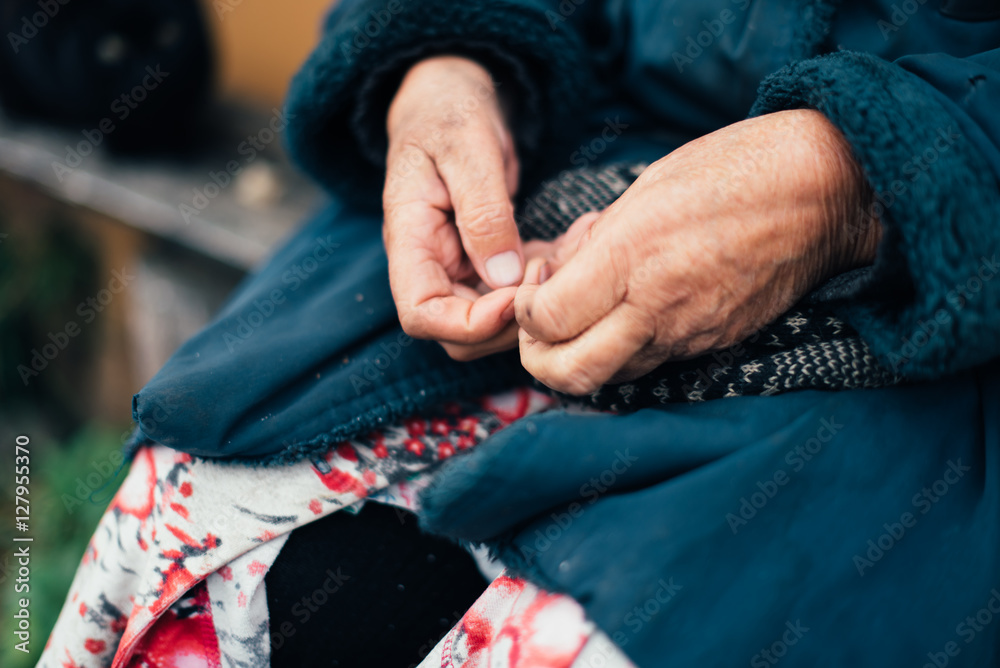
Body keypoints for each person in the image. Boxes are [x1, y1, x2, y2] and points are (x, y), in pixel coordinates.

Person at [42, 1, 1000, 666]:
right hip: (567, 129)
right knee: (211, 512)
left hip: (949, 300)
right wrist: (439, 60)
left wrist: (853, 182)